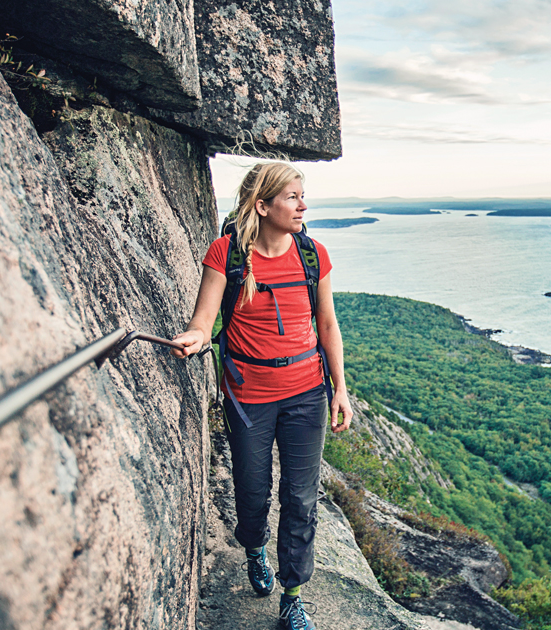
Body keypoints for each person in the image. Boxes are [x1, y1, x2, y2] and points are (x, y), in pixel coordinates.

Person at [171, 162, 351, 630]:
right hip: (249, 397)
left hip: (307, 394)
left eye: (302, 195)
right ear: (263, 205)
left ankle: (293, 597)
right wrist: (193, 338)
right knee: (252, 493)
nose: (303, 205)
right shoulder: (227, 254)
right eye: (293, 197)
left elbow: (327, 325)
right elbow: (204, 318)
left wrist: (340, 388)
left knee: (301, 498)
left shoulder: (313, 255)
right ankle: (254, 548)